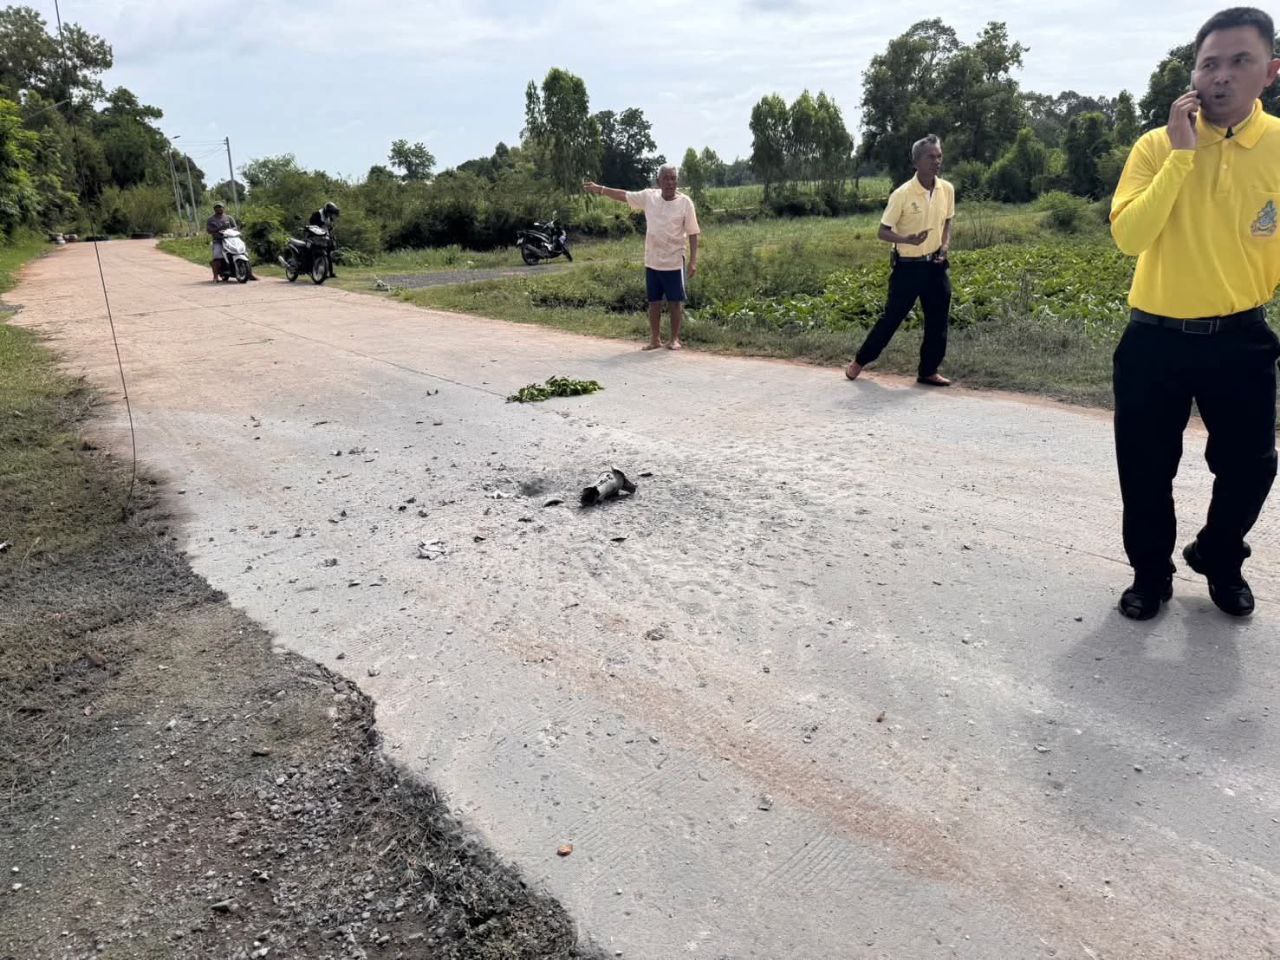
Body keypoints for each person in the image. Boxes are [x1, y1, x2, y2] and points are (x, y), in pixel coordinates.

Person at [1109, 7, 1280, 620]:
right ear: (1193, 73)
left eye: (1241, 62)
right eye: (1209, 63)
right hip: (1154, 338)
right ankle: (1150, 576)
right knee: (1146, 468)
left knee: (1253, 465)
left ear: (1270, 73)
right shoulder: (1156, 146)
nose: (1222, 76)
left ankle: (1219, 554)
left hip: (1241, 337)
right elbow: (1130, 237)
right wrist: (1183, 155)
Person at [844, 134, 955, 387]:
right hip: (908, 267)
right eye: (931, 157)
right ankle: (860, 361)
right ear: (916, 161)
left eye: (939, 156)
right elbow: (882, 231)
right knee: (892, 317)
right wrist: (907, 239)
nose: (936, 161)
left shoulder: (946, 189)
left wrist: (945, 246)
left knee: (938, 319)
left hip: (936, 265)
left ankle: (928, 371)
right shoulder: (902, 194)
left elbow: (948, 220)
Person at [583, 165, 700, 350]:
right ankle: (654, 339)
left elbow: (693, 233)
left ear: (677, 181)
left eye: (673, 178)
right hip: (652, 259)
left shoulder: (685, 203)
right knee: (653, 301)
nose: (670, 182)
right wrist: (601, 189)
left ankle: (674, 339)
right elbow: (624, 195)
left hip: (674, 260)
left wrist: (693, 261)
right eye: (666, 178)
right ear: (658, 181)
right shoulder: (649, 197)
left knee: (675, 302)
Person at [307, 201, 341, 278]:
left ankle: (330, 273)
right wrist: (321, 224)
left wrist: (332, 236)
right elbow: (312, 223)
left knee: (328, 253)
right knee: (311, 251)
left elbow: (329, 227)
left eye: (331, 213)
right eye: (330, 213)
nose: (331, 214)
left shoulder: (329, 217)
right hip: (314, 236)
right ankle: (311, 269)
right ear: (326, 211)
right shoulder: (317, 214)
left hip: (324, 237)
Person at [205, 202, 236, 282]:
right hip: (218, 241)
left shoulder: (229, 218)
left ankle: (249, 273)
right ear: (214, 209)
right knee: (217, 257)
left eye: (220, 207)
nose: (219, 209)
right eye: (217, 207)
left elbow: (235, 227)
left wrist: (232, 230)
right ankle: (215, 277)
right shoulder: (211, 219)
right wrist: (218, 230)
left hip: (231, 240)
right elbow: (209, 230)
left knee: (242, 252)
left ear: (223, 208)